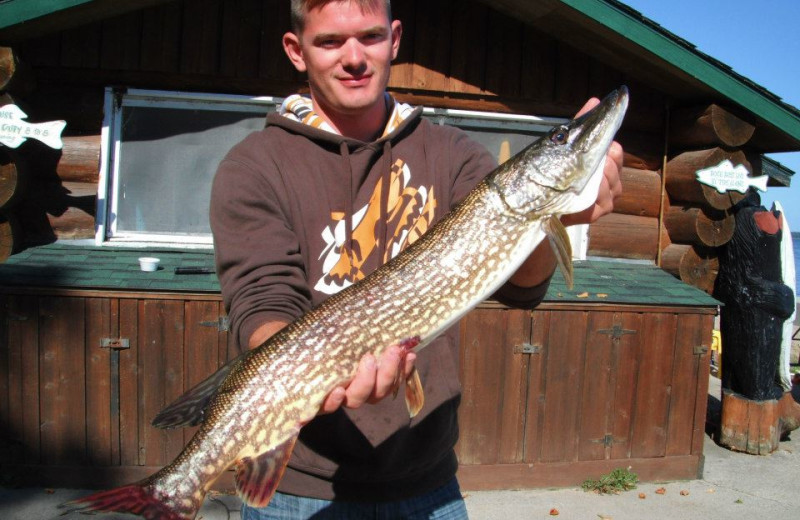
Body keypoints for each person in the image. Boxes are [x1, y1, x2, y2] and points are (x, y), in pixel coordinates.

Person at [209, 0, 623, 518]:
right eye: (331, 41)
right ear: (296, 51)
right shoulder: (254, 166)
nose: (354, 57)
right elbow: (263, 299)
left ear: (395, 38)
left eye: (370, 37)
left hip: (429, 484)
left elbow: (524, 288)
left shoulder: (452, 155)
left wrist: (559, 215)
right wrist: (303, 373)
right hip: (298, 493)